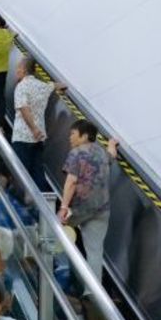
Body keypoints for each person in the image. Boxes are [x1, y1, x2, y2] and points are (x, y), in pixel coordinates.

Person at [58, 119, 115, 286]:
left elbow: (71, 182)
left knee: (53, 232)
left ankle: (62, 274)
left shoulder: (76, 153)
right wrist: (112, 143)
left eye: (73, 134)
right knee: (95, 251)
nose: (70, 138)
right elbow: (113, 155)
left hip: (79, 209)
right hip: (102, 209)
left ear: (85, 136)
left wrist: (64, 207)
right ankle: (94, 293)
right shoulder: (102, 152)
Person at [12, 56, 66, 191]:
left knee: (21, 173)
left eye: (18, 68)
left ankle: (22, 205)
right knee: (37, 172)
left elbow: (24, 108)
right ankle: (43, 206)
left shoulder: (21, 86)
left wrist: (33, 128)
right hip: (39, 137)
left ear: (24, 70)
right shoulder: (42, 86)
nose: (16, 71)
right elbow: (59, 85)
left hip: (22, 136)